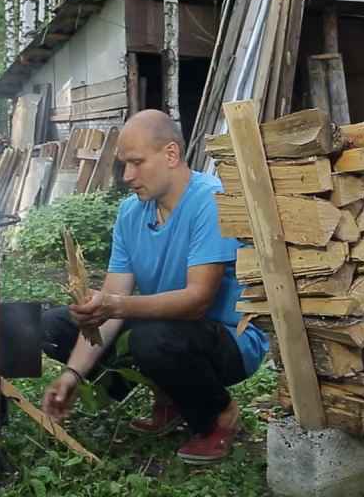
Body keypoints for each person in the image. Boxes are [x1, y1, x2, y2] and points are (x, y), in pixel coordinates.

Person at [31, 109, 267, 464]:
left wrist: (116, 305)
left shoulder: (211, 200)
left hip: (228, 340)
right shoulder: (131, 213)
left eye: (137, 163)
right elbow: (111, 307)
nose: (127, 176)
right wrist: (71, 374)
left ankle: (220, 414)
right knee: (55, 325)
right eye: (124, 164)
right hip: (170, 330)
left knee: (152, 338)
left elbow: (198, 301)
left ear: (171, 155)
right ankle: (172, 397)